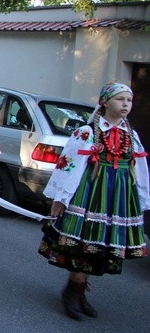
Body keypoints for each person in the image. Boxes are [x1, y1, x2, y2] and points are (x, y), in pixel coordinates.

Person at [38, 82, 148, 320]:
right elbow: (69, 166)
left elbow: (140, 168)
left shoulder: (131, 135)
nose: (126, 104)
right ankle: (73, 291)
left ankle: (78, 290)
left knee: (100, 247)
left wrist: (141, 199)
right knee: (84, 243)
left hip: (116, 198)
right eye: (120, 99)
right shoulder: (87, 132)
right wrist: (61, 198)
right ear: (105, 102)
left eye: (128, 100)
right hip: (89, 194)